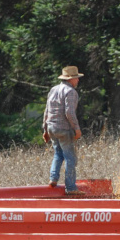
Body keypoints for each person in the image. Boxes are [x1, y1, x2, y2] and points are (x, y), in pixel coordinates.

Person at [42, 66, 84, 194]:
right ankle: (71, 187)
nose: (78, 80)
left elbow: (46, 110)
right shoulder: (70, 92)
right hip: (64, 129)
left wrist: (45, 129)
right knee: (70, 158)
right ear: (71, 79)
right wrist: (77, 129)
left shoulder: (53, 89)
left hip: (51, 127)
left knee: (58, 154)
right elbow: (69, 112)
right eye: (76, 78)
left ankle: (53, 178)